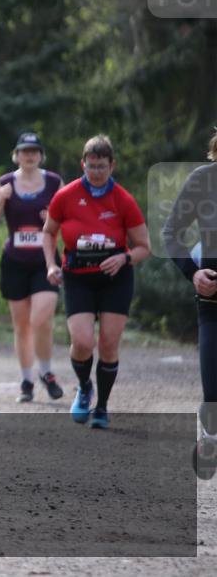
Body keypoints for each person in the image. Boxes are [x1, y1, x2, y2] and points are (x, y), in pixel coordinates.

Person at [42, 135, 151, 429]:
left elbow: (144, 246)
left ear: (112, 165)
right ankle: (84, 387)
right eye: (91, 167)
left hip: (115, 278)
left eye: (102, 166)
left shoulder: (123, 200)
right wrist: (51, 265)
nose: (97, 172)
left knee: (109, 342)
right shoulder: (66, 196)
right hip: (78, 278)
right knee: (82, 341)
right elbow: (48, 232)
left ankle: (102, 406)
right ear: (83, 164)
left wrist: (125, 258)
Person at [0, 132, 65, 403]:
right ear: (16, 155)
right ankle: (27, 381)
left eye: (34, 151)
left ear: (41, 155)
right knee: (21, 326)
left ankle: (47, 372)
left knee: (41, 319)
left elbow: (72, 219)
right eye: (24, 151)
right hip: (14, 262)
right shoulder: (5, 183)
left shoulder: (54, 182)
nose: (29, 156)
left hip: (45, 262)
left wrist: (53, 218)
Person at [161, 127, 217, 479]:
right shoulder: (202, 181)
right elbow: (171, 232)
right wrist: (192, 273)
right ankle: (210, 436)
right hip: (212, 301)